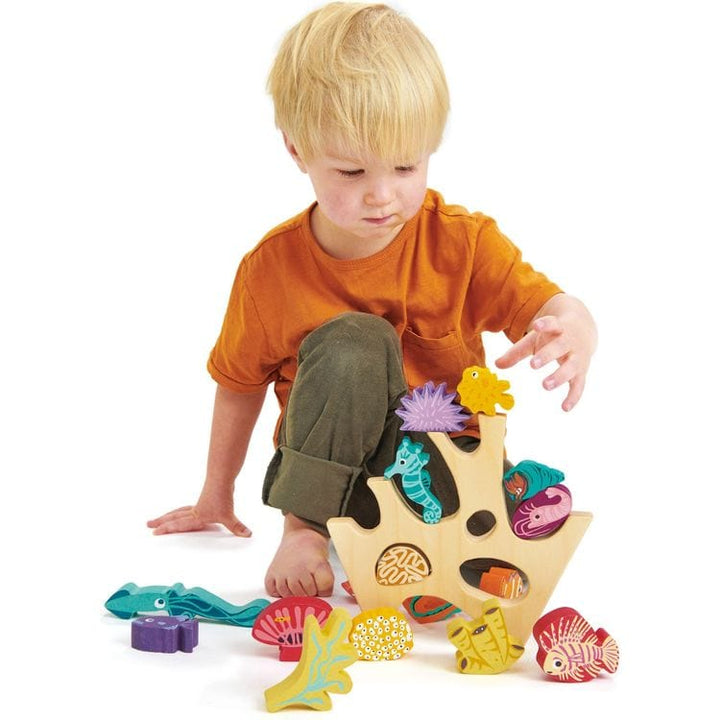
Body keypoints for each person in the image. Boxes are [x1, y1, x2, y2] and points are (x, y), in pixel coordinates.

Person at [147, 2, 597, 599]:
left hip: (439, 470)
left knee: (491, 516)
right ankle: (307, 529)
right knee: (355, 339)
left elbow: (550, 304)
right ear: (297, 151)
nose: (382, 196)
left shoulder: (463, 243)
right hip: (335, 479)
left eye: (406, 166)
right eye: (352, 172)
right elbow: (238, 384)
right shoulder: (270, 272)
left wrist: (573, 325)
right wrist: (216, 492)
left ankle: (408, 548)